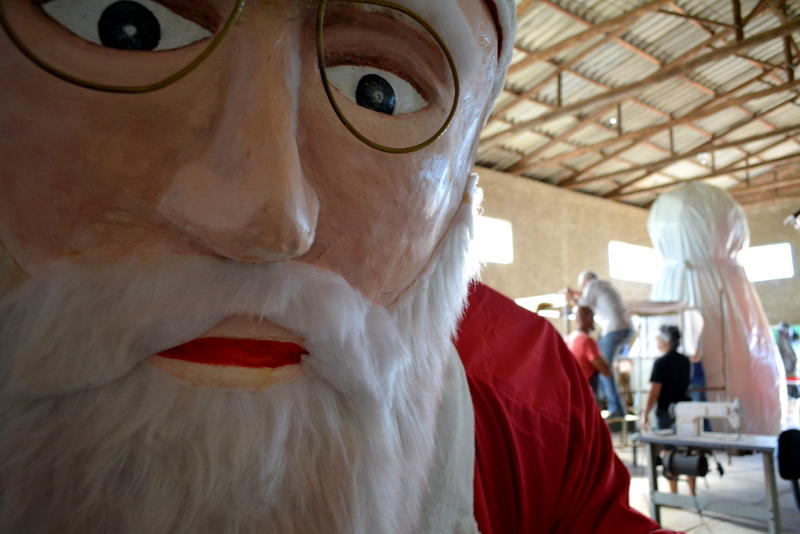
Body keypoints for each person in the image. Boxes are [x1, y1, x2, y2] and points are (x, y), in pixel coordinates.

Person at [0, 1, 676, 532]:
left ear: (459, 189)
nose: (266, 217)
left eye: (377, 91)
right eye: (128, 26)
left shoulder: (529, 392)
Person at [566, 270, 633, 417]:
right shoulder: (604, 286)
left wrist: (573, 299)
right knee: (603, 368)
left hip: (613, 329)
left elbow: (584, 305)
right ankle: (612, 406)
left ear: (585, 282)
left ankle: (615, 408)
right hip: (623, 328)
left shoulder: (593, 285)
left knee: (603, 371)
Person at [641, 325, 694, 495]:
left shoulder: (661, 363)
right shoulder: (685, 361)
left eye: (658, 339)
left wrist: (645, 414)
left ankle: (674, 493)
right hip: (685, 410)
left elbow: (654, 391)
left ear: (665, 341)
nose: (657, 342)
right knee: (687, 451)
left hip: (666, 412)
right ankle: (692, 492)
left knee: (669, 453)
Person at [566, 306, 611, 397]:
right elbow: (605, 371)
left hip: (571, 389)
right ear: (586, 318)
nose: (594, 322)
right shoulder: (587, 341)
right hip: (586, 391)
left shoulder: (568, 339)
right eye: (592, 317)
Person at [776, 322, 799, 398]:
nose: (781, 334)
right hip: (786, 371)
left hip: (792, 371)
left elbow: (793, 355)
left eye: (782, 332)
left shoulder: (793, 340)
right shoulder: (781, 341)